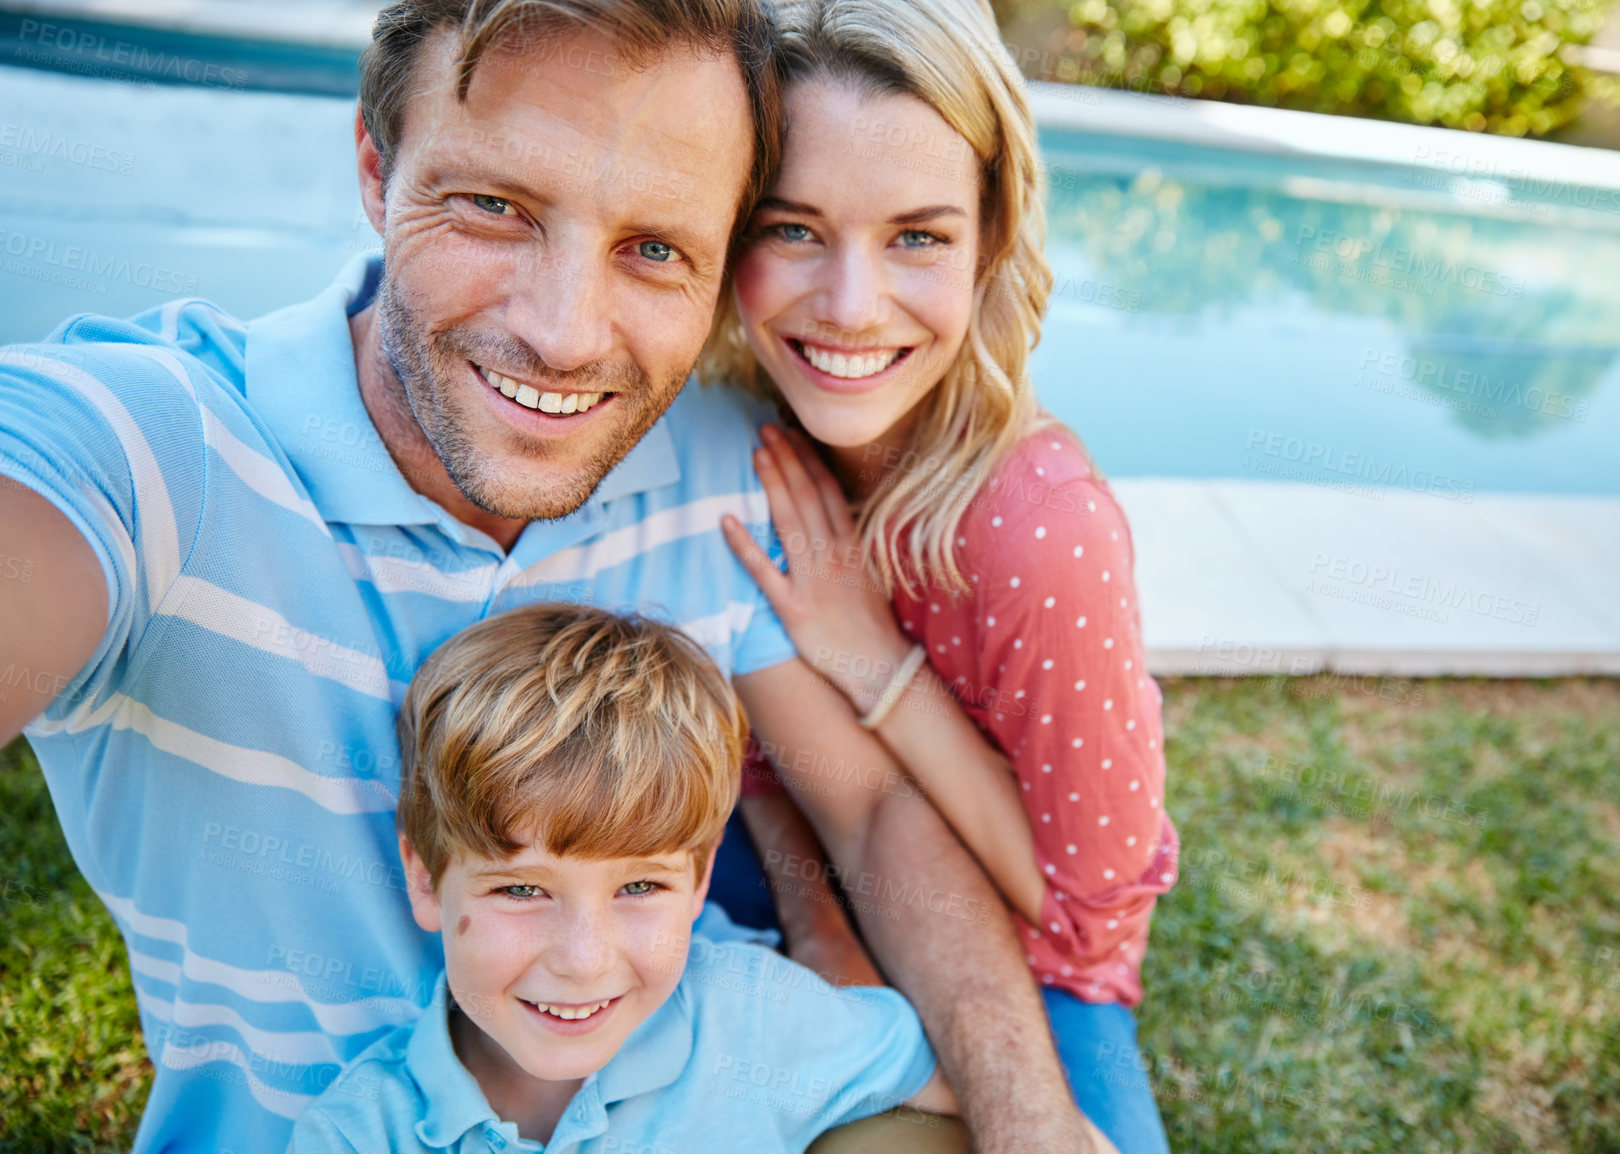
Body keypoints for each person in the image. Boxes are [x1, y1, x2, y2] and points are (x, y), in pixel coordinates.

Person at [0, 1, 1100, 1150]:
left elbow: (867, 806)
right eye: (495, 206)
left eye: (655, 247)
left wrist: (1032, 1124)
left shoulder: (715, 460)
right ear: (377, 168)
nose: (567, 332)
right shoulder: (158, 452)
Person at [709, 1, 1180, 1149]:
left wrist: (876, 660)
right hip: (789, 856)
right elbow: (766, 756)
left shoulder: (1036, 532)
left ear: (989, 239)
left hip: (1030, 952)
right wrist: (827, 931)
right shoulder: (743, 439)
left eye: (916, 236)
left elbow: (1082, 914)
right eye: (793, 229)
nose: (852, 307)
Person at [286, 604, 962, 1152]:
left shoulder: (755, 1019)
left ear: (699, 881)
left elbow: (964, 1085)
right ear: (427, 879)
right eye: (521, 889)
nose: (584, 961)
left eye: (640, 887)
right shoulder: (358, 1133)